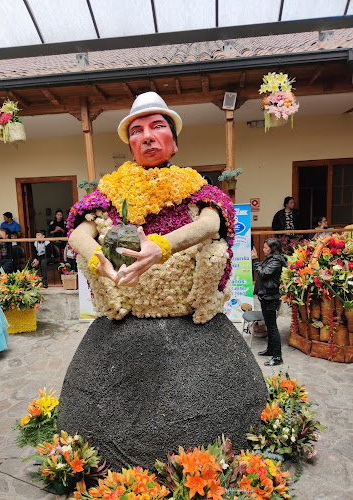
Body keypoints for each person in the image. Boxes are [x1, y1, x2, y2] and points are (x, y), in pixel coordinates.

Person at [58, 92, 267, 470]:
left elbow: (211, 223)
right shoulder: (110, 191)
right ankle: (118, 304)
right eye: (137, 131)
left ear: (173, 139)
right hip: (128, 293)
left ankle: (201, 308)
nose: (148, 136)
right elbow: (78, 233)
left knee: (215, 249)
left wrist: (160, 247)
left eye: (158, 127)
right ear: (130, 144)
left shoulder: (193, 185)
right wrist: (98, 258)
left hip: (185, 299)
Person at [251, 238, 288, 366]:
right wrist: (258, 262)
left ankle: (277, 357)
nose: (263, 249)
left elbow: (263, 273)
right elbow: (261, 269)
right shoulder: (270, 259)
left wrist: (255, 259)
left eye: (265, 247)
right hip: (265, 296)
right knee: (269, 324)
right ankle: (270, 349)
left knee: (272, 327)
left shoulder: (276, 261)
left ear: (271, 249)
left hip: (270, 298)